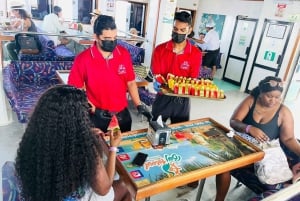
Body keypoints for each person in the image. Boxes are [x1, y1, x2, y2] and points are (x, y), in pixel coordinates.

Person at [15, 85, 132, 201]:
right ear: (78, 119)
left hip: (43, 193)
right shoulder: (85, 146)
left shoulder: (35, 137)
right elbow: (104, 189)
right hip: (72, 198)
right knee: (125, 186)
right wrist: (112, 149)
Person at [217, 76, 300, 200]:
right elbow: (234, 121)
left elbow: (288, 139)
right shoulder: (251, 101)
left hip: (263, 155)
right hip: (241, 147)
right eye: (269, 96)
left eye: (277, 97)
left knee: (226, 165)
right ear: (261, 93)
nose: (273, 100)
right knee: (223, 166)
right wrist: (249, 128)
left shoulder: (283, 112)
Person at [68, 14, 152, 133]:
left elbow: (131, 82)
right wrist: (95, 110)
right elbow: (76, 91)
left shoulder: (123, 54)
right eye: (107, 39)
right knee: (95, 149)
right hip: (96, 115)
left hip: (121, 114)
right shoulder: (83, 59)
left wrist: (139, 105)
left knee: (122, 149)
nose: (112, 42)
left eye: (115, 38)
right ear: (96, 37)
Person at [151, 11, 202, 124]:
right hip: (162, 96)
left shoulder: (195, 54)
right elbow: (157, 73)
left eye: (182, 30)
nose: (178, 32)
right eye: (175, 29)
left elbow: (192, 78)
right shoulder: (160, 49)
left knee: (180, 133)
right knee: (155, 129)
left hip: (182, 99)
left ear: (189, 30)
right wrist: (157, 82)